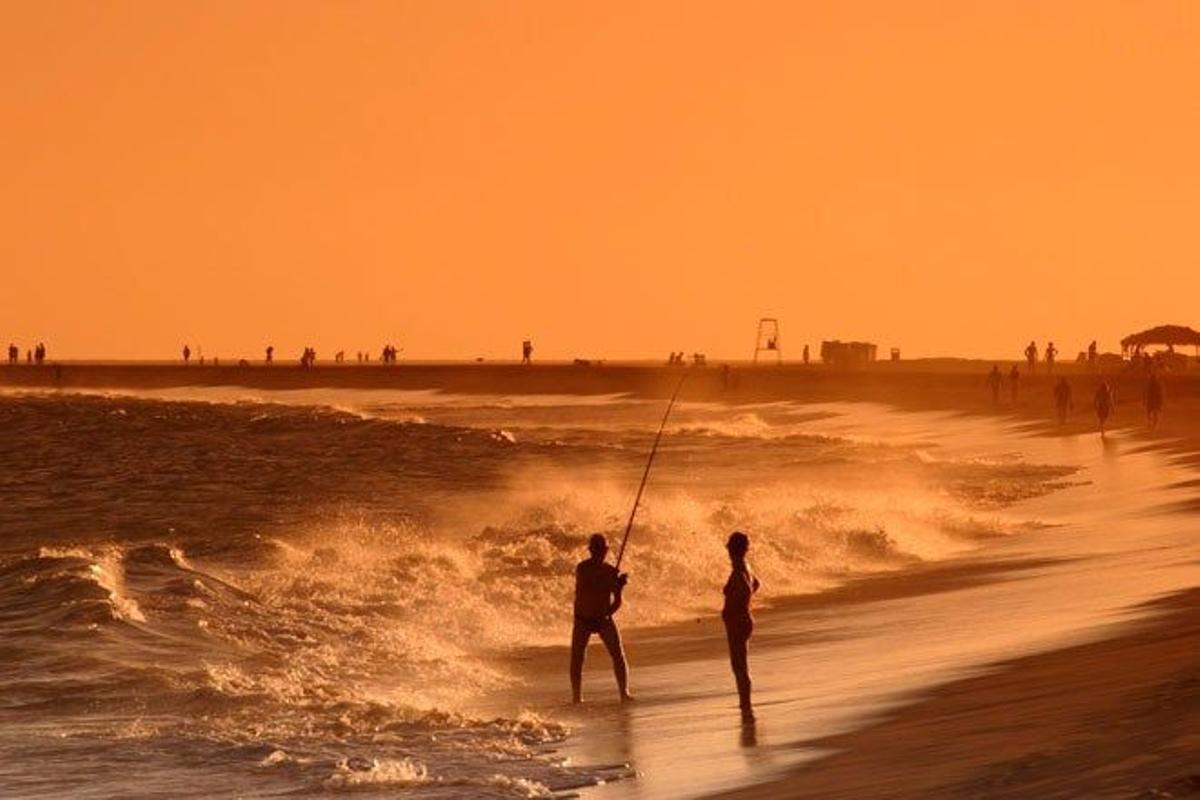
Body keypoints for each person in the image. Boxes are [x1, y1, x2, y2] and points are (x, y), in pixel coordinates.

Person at [570, 534, 631, 704]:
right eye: (595, 550)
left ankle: (624, 692)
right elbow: (591, 585)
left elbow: (617, 602)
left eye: (601, 550)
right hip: (582, 620)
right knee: (577, 657)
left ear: (605, 551)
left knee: (618, 655)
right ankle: (576, 696)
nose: (598, 553)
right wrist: (611, 580)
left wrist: (618, 587)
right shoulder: (582, 568)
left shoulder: (611, 572)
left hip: (603, 620)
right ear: (590, 551)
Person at [722, 531, 760, 721]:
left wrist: (737, 604)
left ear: (732, 549)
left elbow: (746, 588)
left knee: (739, 665)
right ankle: (744, 701)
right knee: (740, 665)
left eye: (729, 547)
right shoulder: (746, 566)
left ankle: (745, 703)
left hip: (738, 621)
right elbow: (756, 584)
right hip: (742, 618)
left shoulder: (738, 568)